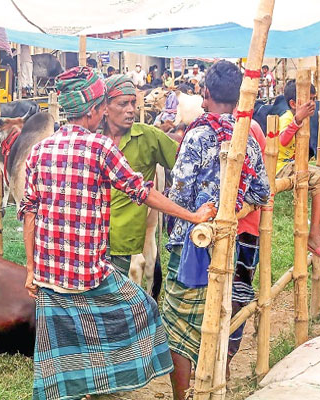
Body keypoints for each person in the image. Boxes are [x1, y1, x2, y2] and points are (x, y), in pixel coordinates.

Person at [20, 66, 216, 400]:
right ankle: (114, 380)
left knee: (61, 355)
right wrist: (193, 215)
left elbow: (29, 211)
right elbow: (142, 191)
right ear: (95, 110)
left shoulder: (39, 152)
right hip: (90, 274)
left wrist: (30, 268)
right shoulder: (100, 148)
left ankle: (79, 390)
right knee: (145, 307)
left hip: (50, 276)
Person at [162, 60, 270, 400]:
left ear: (205, 93)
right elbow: (262, 191)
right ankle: (216, 389)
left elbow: (179, 192)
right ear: (238, 98)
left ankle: (182, 396)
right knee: (220, 315)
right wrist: (233, 207)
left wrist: (195, 212)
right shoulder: (246, 139)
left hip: (190, 244)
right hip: (226, 245)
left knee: (178, 327)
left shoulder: (197, 135)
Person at [102, 74, 178, 299]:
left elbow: (185, 163)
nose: (130, 110)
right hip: (91, 240)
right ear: (105, 107)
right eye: (122, 103)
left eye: (133, 103)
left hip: (125, 244)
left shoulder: (149, 137)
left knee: (123, 307)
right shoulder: (91, 139)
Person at [276, 80, 320, 260]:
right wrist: (298, 119)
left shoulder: (304, 120)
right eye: (308, 99)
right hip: (281, 167)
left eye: (314, 98)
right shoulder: (287, 118)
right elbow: (281, 140)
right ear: (293, 104)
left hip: (297, 165)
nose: (313, 103)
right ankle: (313, 235)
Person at [227, 111, 267, 377]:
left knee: (236, 297)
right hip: (238, 227)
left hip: (243, 227)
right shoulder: (249, 127)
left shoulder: (250, 128)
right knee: (227, 295)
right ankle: (219, 360)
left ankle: (225, 361)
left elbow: (262, 182)